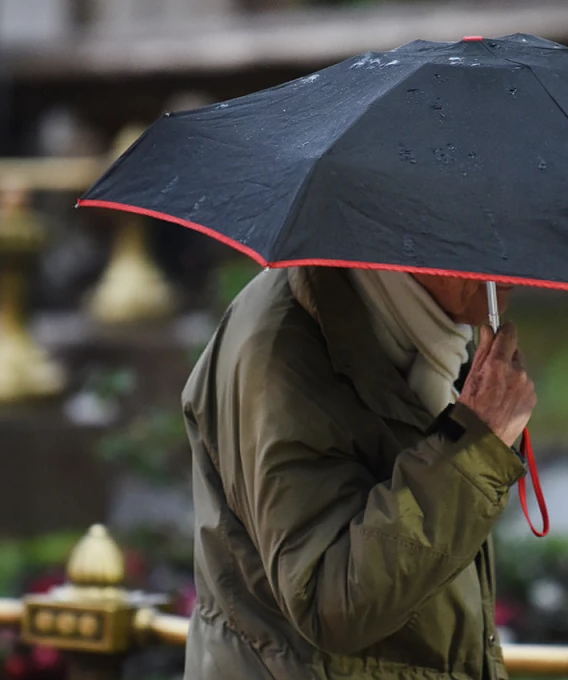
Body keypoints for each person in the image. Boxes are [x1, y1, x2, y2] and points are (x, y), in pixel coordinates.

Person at [181, 265, 537, 679]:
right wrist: (477, 448)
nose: (508, 266)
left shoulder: (426, 332)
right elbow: (329, 601)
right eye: (481, 233)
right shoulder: (283, 350)